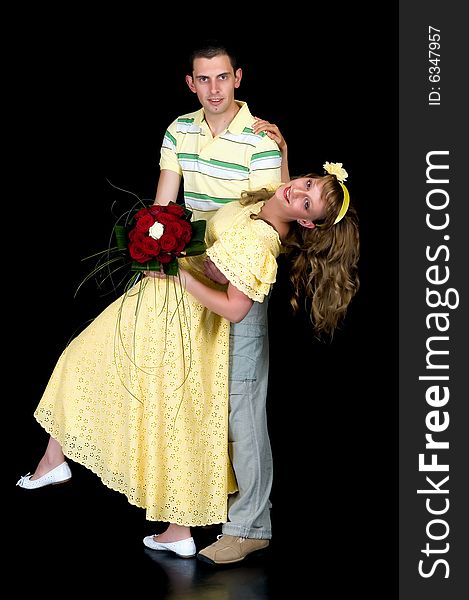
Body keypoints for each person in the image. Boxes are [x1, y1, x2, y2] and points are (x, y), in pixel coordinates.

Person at [16, 167, 360, 562]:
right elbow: (271, 206)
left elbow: (235, 308)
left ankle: (176, 525)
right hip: (160, 298)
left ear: (305, 220)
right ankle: (60, 463)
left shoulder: (263, 241)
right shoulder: (265, 204)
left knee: (159, 407)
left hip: (181, 314)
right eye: (308, 183)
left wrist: (180, 274)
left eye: (306, 200)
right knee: (94, 367)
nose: (298, 189)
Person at [152, 39, 290, 565]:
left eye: (222, 78)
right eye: (203, 80)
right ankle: (182, 522)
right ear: (191, 83)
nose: (214, 89)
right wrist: (154, 245)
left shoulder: (260, 140)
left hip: (237, 276)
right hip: (189, 271)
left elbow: (264, 215)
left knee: (241, 405)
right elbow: (166, 198)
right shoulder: (178, 129)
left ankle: (251, 525)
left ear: (238, 79)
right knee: (194, 400)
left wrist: (217, 265)